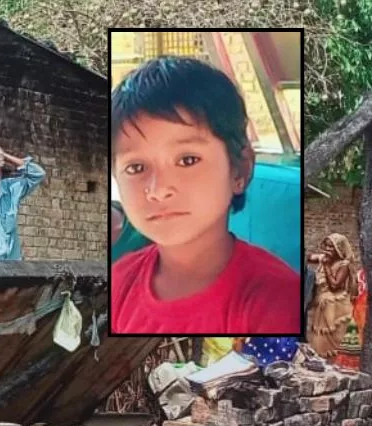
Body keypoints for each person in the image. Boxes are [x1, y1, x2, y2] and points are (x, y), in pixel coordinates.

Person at [109, 56, 300, 334]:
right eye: (136, 167)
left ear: (239, 169)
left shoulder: (276, 301)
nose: (159, 189)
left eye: (187, 160)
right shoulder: (117, 283)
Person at [307, 233, 360, 359]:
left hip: (336, 308)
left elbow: (335, 285)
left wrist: (326, 266)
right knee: (319, 342)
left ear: (339, 249)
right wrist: (317, 257)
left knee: (334, 346)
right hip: (322, 305)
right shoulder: (324, 258)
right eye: (327, 246)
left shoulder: (343, 265)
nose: (328, 250)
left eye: (332, 247)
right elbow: (308, 257)